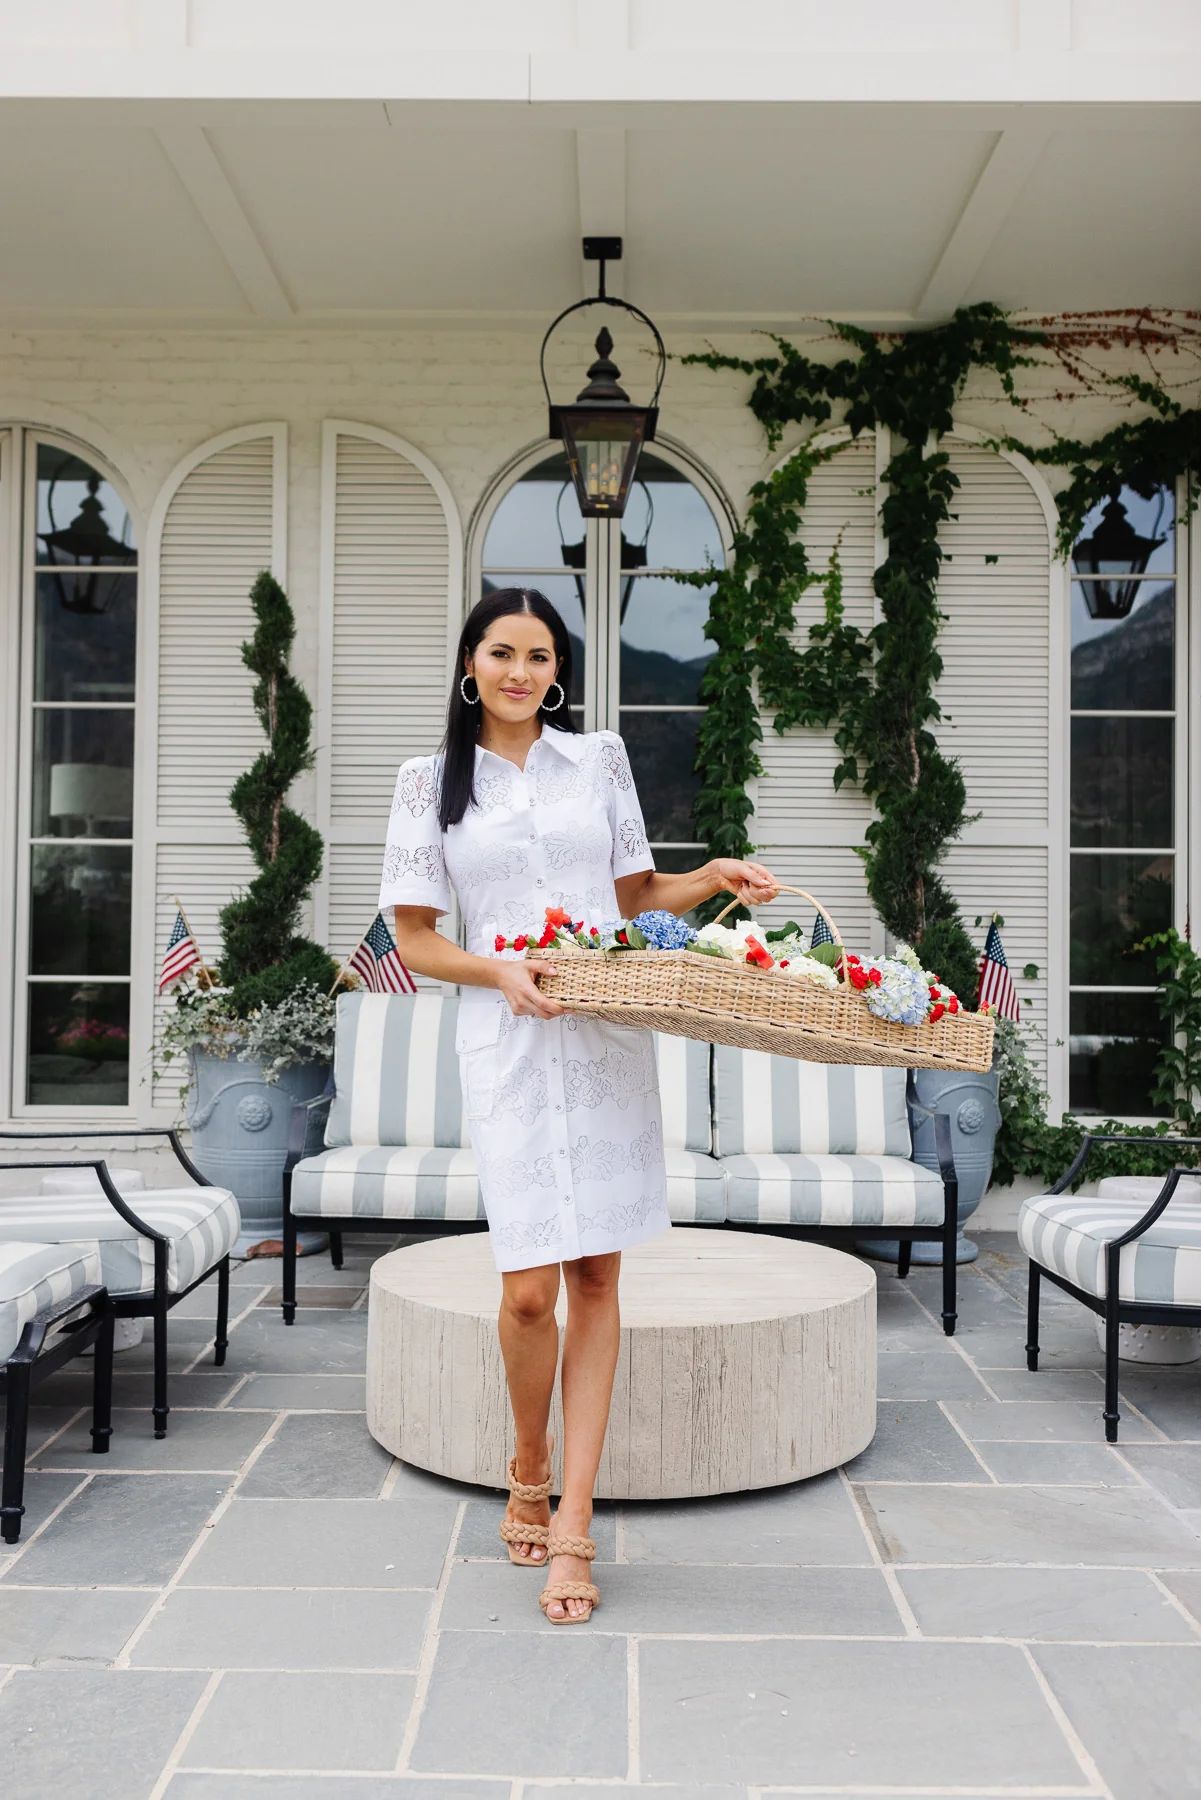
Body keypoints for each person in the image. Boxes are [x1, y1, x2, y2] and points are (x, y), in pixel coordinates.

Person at [379, 586, 780, 1623]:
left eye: (541, 657)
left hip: (604, 1034)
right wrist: (497, 973)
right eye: (503, 652)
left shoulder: (595, 757)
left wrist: (710, 876)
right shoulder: (428, 783)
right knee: (525, 1291)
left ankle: (572, 1527)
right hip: (506, 1039)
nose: (522, 673)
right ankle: (525, 1460)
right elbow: (414, 935)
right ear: (469, 661)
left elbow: (633, 895)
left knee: (596, 1272)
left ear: (559, 670)